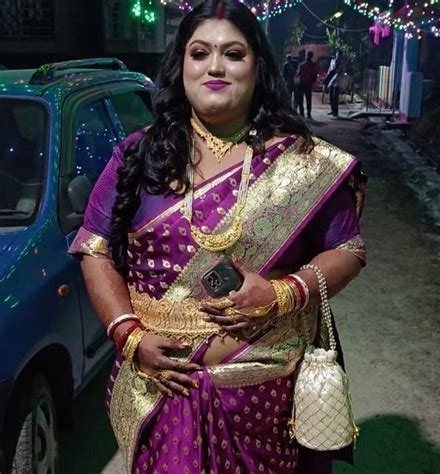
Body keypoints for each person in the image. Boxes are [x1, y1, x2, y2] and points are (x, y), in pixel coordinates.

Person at [69, 1, 367, 472]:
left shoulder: (304, 163)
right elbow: (95, 249)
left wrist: (284, 293)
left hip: (266, 397)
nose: (215, 67)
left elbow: (347, 249)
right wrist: (128, 336)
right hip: (159, 388)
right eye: (199, 52)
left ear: (258, 67)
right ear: (181, 66)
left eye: (233, 53)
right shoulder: (138, 156)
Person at [295, 51, 318, 118]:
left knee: (303, 99)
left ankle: (303, 112)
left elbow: (298, 73)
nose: (307, 56)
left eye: (308, 55)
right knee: (307, 99)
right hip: (306, 83)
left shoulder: (304, 64)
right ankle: (307, 113)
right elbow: (315, 74)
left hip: (304, 83)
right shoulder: (311, 65)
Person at [326, 49, 344, 118]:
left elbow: (342, 73)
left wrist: (338, 78)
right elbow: (330, 69)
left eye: (339, 55)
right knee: (330, 97)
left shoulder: (341, 63)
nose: (338, 56)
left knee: (335, 98)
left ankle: (335, 112)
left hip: (337, 82)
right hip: (331, 81)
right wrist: (328, 77)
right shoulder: (332, 61)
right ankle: (332, 110)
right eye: (337, 54)